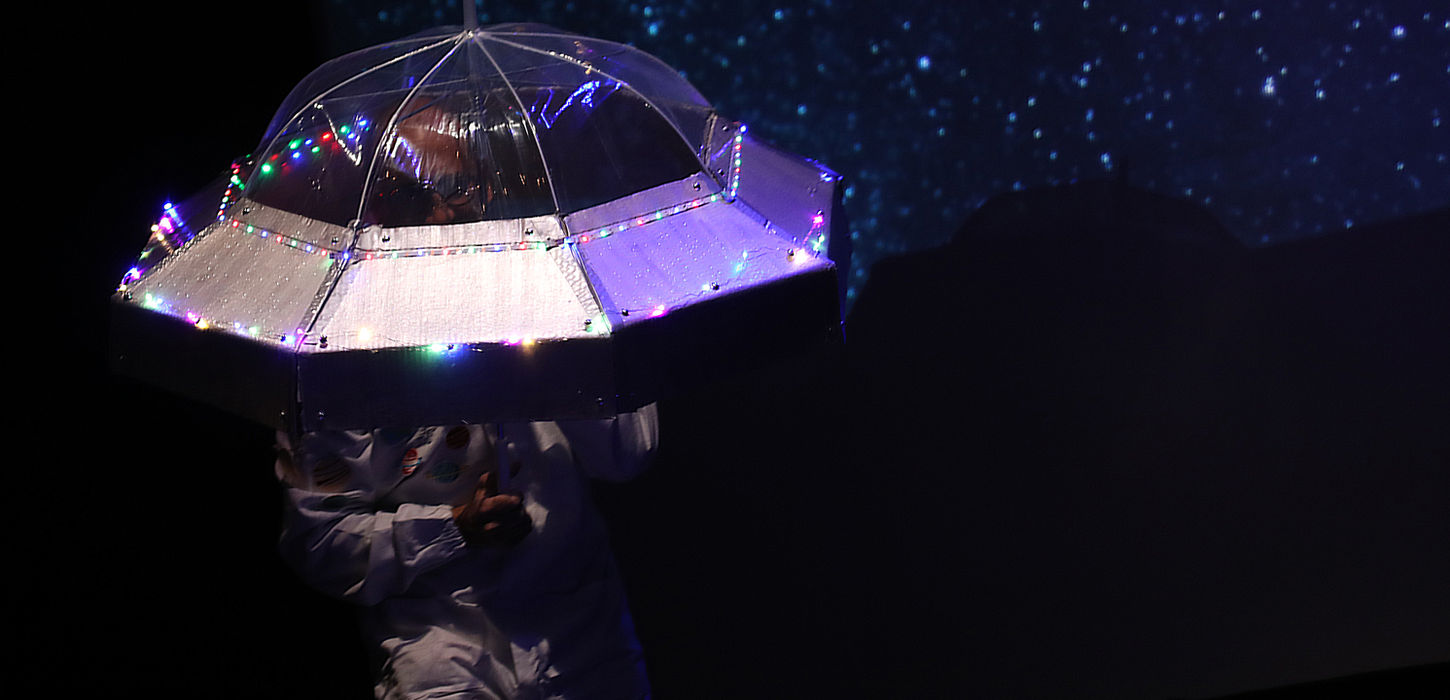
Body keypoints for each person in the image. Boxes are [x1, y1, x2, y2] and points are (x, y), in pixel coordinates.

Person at [274, 405, 659, 699]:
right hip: (438, 649)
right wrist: (454, 526)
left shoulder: (576, 311)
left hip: (586, 637)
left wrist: (554, 356)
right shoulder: (348, 358)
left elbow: (629, 452)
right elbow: (319, 541)